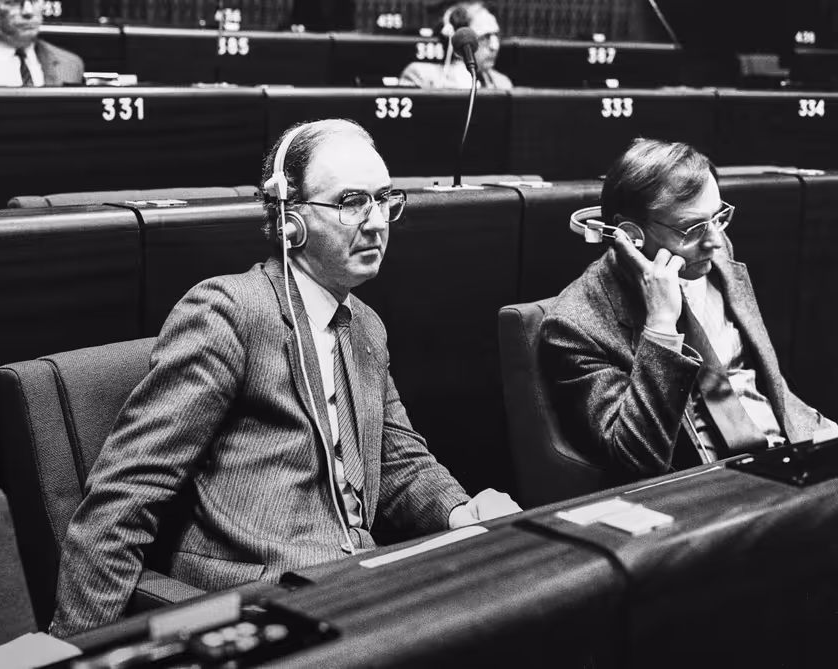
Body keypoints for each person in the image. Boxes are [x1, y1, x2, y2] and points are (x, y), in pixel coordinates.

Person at [49, 118, 521, 637]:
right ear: (288, 219)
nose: (376, 222)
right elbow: (127, 495)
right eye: (351, 202)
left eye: (384, 199)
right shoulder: (228, 312)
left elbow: (399, 460)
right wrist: (73, 649)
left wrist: (461, 512)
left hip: (354, 585)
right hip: (258, 599)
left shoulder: (365, 326)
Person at [541, 138, 835, 481]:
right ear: (631, 235)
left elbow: (760, 379)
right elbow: (637, 457)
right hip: (704, 482)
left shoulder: (712, 250)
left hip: (792, 446)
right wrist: (661, 325)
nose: (714, 241)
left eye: (717, 218)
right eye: (692, 228)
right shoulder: (575, 324)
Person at [399, 1, 512, 90]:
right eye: (484, 37)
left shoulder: (502, 83)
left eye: (496, 36)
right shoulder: (419, 76)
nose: (494, 46)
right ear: (457, 40)